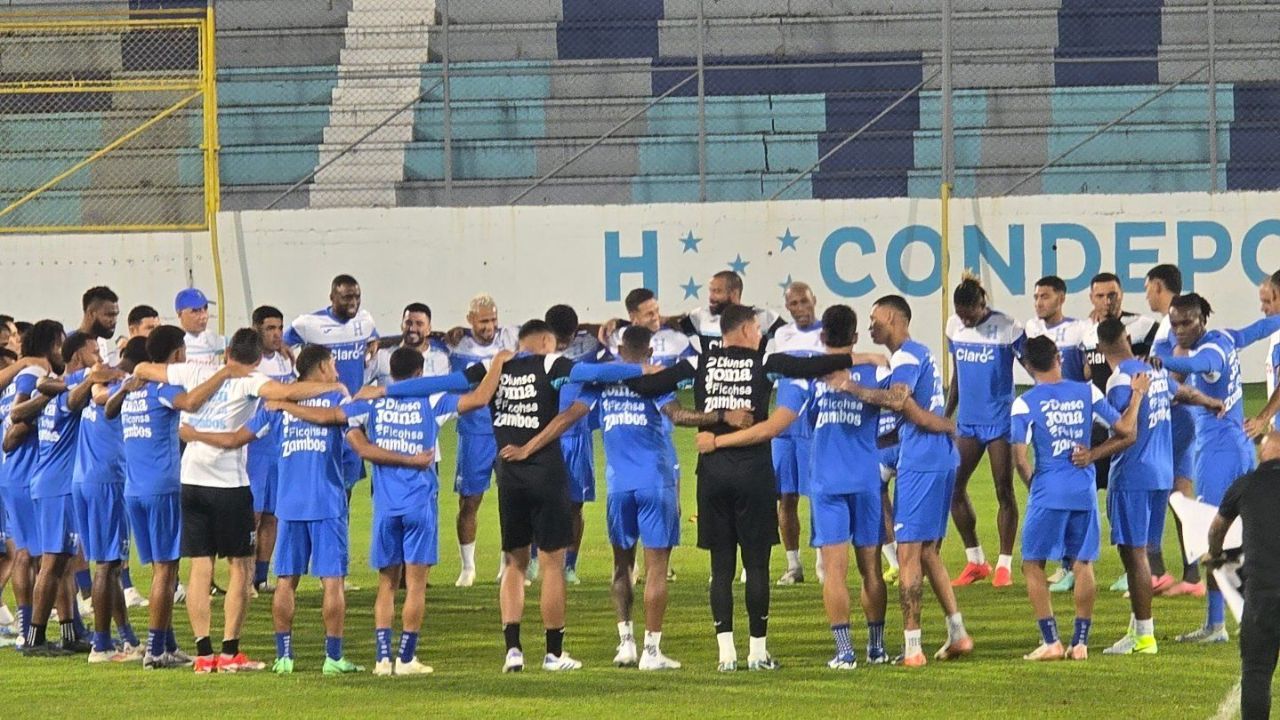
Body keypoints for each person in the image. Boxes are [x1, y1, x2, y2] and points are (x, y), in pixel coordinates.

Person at [628, 304, 861, 671]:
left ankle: (726, 656)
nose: (759, 336)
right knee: (756, 565)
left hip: (712, 472)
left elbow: (647, 386)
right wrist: (855, 356)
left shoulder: (699, 362)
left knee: (721, 568)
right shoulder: (764, 362)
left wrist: (631, 371)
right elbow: (809, 366)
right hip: (754, 471)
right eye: (756, 330)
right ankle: (757, 652)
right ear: (744, 330)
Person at [503, 325, 743, 670]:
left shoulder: (601, 381)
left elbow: (568, 418)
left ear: (619, 349)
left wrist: (528, 447)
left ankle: (625, 644)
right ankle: (652, 651)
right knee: (656, 569)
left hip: (618, 487)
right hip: (656, 482)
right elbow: (679, 415)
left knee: (621, 566)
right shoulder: (654, 379)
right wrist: (722, 417)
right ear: (648, 352)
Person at [135, 328, 345, 673]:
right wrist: (332, 387)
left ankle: (203, 654)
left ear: (228, 350)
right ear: (258, 357)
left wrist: (140, 379)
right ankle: (230, 651)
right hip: (229, 485)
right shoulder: (251, 380)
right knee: (240, 568)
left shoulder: (194, 370)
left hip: (191, 481)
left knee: (200, 568)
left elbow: (144, 369)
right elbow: (288, 392)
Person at [182, 345, 359, 675]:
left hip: (288, 505)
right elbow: (348, 438)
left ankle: (284, 657)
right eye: (332, 365)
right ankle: (333, 657)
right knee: (332, 583)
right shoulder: (338, 398)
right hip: (327, 502)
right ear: (321, 368)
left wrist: (195, 435)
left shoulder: (278, 406)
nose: (337, 372)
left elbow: (236, 439)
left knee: (285, 582)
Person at [348, 346, 506, 675]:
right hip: (419, 504)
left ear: (392, 372)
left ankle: (381, 659)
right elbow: (478, 399)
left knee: (387, 584)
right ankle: (406, 658)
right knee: (416, 585)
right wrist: (498, 365)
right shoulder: (431, 401)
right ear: (420, 373)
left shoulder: (372, 401)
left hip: (385, 506)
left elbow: (351, 431)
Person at [113, 326, 260, 669]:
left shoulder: (136, 389)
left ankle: (171, 644)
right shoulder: (166, 389)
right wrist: (224, 372)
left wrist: (129, 379)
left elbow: (109, 406)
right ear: (178, 352)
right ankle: (155, 649)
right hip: (165, 486)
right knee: (169, 572)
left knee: (172, 569)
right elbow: (191, 402)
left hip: (134, 487)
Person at [839, 295, 972, 667]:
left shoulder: (907, 356)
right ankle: (957, 633)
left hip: (923, 458)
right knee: (927, 551)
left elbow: (898, 399)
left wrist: (854, 390)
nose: (870, 326)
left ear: (894, 317)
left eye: (875, 318)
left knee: (909, 553)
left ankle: (912, 647)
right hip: (939, 456)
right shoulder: (920, 354)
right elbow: (914, 410)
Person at [777, 305, 898, 669]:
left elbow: (803, 419)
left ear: (822, 335)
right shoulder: (875, 368)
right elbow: (889, 417)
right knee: (871, 569)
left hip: (827, 482)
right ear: (855, 336)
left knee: (834, 571)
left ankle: (845, 652)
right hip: (865, 479)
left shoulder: (809, 374)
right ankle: (876, 648)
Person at [1093, 319, 1222, 656]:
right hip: (1162, 474)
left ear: (1099, 346)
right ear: (1126, 337)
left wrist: (1091, 456)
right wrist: (1212, 403)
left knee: (1133, 553)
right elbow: (1186, 393)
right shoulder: (1157, 373)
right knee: (1142, 551)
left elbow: (1126, 432)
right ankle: (1137, 628)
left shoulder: (1120, 381)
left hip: (1133, 475)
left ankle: (1144, 635)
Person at [1012, 335, 1143, 662]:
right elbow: (1126, 429)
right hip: (1083, 491)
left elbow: (1019, 457)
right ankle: (1080, 643)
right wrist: (1138, 394)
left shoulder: (1025, 402)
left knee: (1033, 564)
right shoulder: (1088, 391)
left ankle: (1051, 641)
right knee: (1083, 563)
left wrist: (1034, 486)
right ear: (1058, 357)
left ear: (1028, 366)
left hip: (1048, 490)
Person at [1152, 293, 1255, 644]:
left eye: (1187, 323)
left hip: (1217, 454)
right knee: (1251, 533)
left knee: (1212, 536)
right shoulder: (1225, 337)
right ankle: (1246, 614)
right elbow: (1258, 329)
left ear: (1202, 320)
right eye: (1175, 323)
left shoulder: (1207, 355)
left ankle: (1215, 624)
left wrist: (1159, 362)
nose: (1180, 330)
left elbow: (1197, 366)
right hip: (1238, 445)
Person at [13, 332, 122, 655]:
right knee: (52, 562)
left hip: (53, 483)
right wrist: (91, 381)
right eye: (93, 351)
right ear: (77, 355)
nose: (99, 355)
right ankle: (34, 638)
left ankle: (68, 631)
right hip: (57, 486)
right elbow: (73, 400)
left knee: (63, 562)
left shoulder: (58, 385)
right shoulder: (66, 391)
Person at [945, 273, 1024, 588]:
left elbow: (1033, 367)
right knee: (953, 487)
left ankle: (1004, 564)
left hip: (1000, 423)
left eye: (971, 314)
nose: (965, 320)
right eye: (961, 314)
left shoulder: (1008, 327)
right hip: (968, 423)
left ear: (983, 304)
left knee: (1003, 489)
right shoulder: (954, 326)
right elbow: (957, 376)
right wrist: (945, 417)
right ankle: (975, 560)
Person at [76, 336, 149, 662]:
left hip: (86, 478)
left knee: (111, 565)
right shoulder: (120, 384)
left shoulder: (97, 376)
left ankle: (126, 638)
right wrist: (127, 388)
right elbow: (106, 401)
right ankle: (102, 645)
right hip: (107, 481)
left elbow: (95, 393)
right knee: (107, 565)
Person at [442, 294, 518, 588]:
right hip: (474, 432)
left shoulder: (511, 338)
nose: (489, 327)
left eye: (493, 320)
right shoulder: (455, 344)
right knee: (470, 500)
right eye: (483, 321)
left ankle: (508, 564)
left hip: (509, 428)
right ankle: (468, 567)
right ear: (470, 320)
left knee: (512, 499)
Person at [1208, 432, 1280, 720]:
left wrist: (1215, 555)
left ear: (1262, 455)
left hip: (1261, 595)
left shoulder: (1245, 485)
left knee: (1256, 672)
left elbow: (1216, 530)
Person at [0, 324, 56, 648]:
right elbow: (16, 424)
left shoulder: (22, 375)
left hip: (15, 474)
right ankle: (29, 628)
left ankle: (36, 625)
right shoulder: (32, 374)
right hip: (24, 474)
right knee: (29, 555)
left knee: (27, 553)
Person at [768, 282, 824, 586]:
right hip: (784, 425)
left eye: (804, 301)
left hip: (813, 424)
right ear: (787, 307)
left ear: (814, 300)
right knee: (785, 496)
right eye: (793, 304)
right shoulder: (782, 335)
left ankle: (821, 562)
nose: (800, 308)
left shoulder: (826, 334)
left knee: (816, 495)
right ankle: (793, 564)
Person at [249, 305, 295, 594]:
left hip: (279, 447)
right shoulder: (249, 363)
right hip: (253, 447)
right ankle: (243, 576)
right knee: (250, 517)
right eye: (270, 328)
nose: (277, 334)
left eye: (279, 328)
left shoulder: (286, 361)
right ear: (256, 330)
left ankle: (261, 577)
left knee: (272, 515)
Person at [673, 271, 783, 354]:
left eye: (717, 291)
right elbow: (673, 329)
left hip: (753, 382)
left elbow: (791, 335)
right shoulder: (700, 317)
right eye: (711, 291)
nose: (711, 297)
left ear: (734, 294)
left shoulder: (762, 317)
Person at [175, 288, 226, 365]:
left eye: (205, 309)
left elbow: (237, 345)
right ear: (179, 314)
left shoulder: (211, 336)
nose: (204, 316)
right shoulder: (173, 342)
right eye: (195, 311)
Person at [75, 286, 121, 368]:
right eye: (109, 315)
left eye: (116, 315)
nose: (114, 321)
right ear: (91, 313)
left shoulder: (102, 342)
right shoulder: (70, 345)